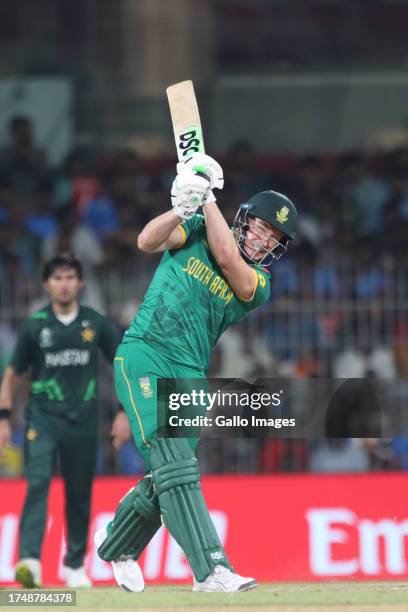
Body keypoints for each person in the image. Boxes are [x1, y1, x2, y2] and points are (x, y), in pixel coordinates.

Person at [94, 154, 297, 593]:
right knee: (175, 462)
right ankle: (211, 570)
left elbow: (228, 259)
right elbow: (146, 242)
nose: (264, 241)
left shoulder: (258, 283)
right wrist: (182, 207)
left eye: (274, 238)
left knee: (169, 472)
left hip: (190, 371)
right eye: (261, 228)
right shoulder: (198, 227)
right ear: (245, 220)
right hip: (145, 352)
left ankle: (115, 544)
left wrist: (205, 196)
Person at [0, 254, 129, 588]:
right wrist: (3, 417)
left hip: (83, 421)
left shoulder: (95, 323)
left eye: (70, 277)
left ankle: (74, 566)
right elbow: (12, 374)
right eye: (57, 278)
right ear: (47, 284)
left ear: (80, 283)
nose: (64, 283)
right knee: (38, 483)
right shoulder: (35, 325)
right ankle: (29, 562)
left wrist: (123, 412)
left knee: (79, 492)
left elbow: (123, 364)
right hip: (42, 419)